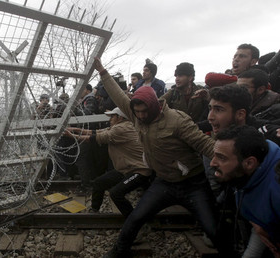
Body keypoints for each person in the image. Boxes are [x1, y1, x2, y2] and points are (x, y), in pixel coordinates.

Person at [93, 57, 232, 257]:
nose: (140, 116)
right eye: (137, 112)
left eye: (144, 112)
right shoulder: (135, 114)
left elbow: (204, 144)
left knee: (212, 228)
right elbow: (118, 96)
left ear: (155, 106)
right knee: (134, 219)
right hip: (164, 182)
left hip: (193, 183)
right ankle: (118, 252)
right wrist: (103, 72)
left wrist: (228, 164)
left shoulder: (177, 120)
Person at [65, 107, 152, 217]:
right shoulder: (119, 126)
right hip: (126, 169)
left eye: (112, 116)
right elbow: (97, 131)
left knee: (116, 194)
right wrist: (75, 129)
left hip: (139, 171)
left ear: (120, 117)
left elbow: (96, 137)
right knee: (99, 183)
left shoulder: (120, 129)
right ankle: (94, 210)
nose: (110, 119)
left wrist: (72, 136)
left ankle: (133, 220)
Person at [211, 125, 280, 257]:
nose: (212, 163)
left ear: (249, 163)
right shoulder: (246, 170)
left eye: (222, 158)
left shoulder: (277, 188)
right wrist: (259, 224)